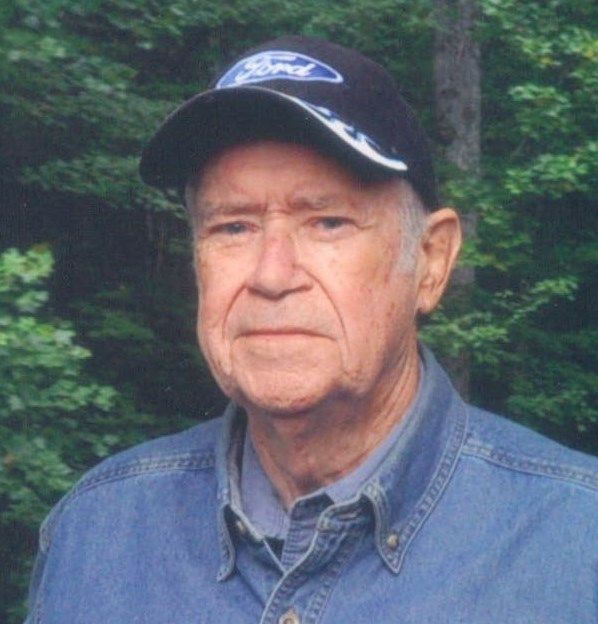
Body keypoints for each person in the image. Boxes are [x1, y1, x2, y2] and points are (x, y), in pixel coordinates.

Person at [26, 36, 598, 624]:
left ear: (430, 262)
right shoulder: (96, 533)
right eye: (233, 228)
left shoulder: (576, 542)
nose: (272, 275)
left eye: (328, 222)